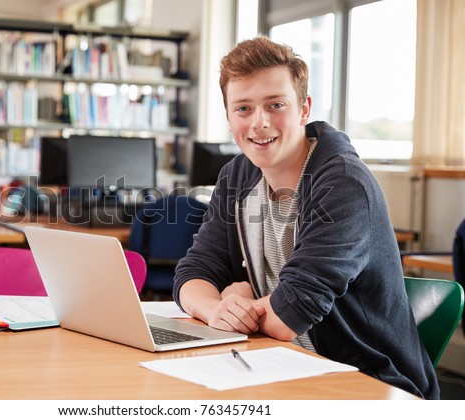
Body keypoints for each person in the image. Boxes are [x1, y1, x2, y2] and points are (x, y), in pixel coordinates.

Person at [173, 35, 439, 399]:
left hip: (369, 385)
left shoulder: (343, 183)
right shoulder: (236, 175)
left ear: (303, 108)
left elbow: (288, 315)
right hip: (278, 365)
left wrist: (242, 302)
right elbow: (193, 274)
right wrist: (219, 307)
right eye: (243, 108)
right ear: (229, 116)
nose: (259, 123)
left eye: (275, 104)